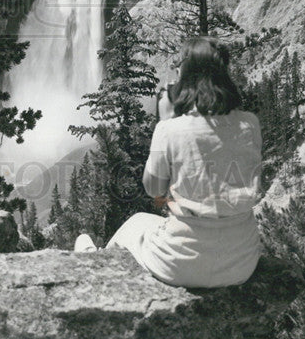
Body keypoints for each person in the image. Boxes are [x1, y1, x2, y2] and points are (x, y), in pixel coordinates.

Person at [75, 36, 263, 288]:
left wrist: (164, 122)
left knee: (135, 223)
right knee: (143, 222)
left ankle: (94, 265)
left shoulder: (172, 129)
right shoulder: (249, 123)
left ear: (186, 78)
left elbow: (153, 189)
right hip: (243, 262)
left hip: (180, 263)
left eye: (177, 72)